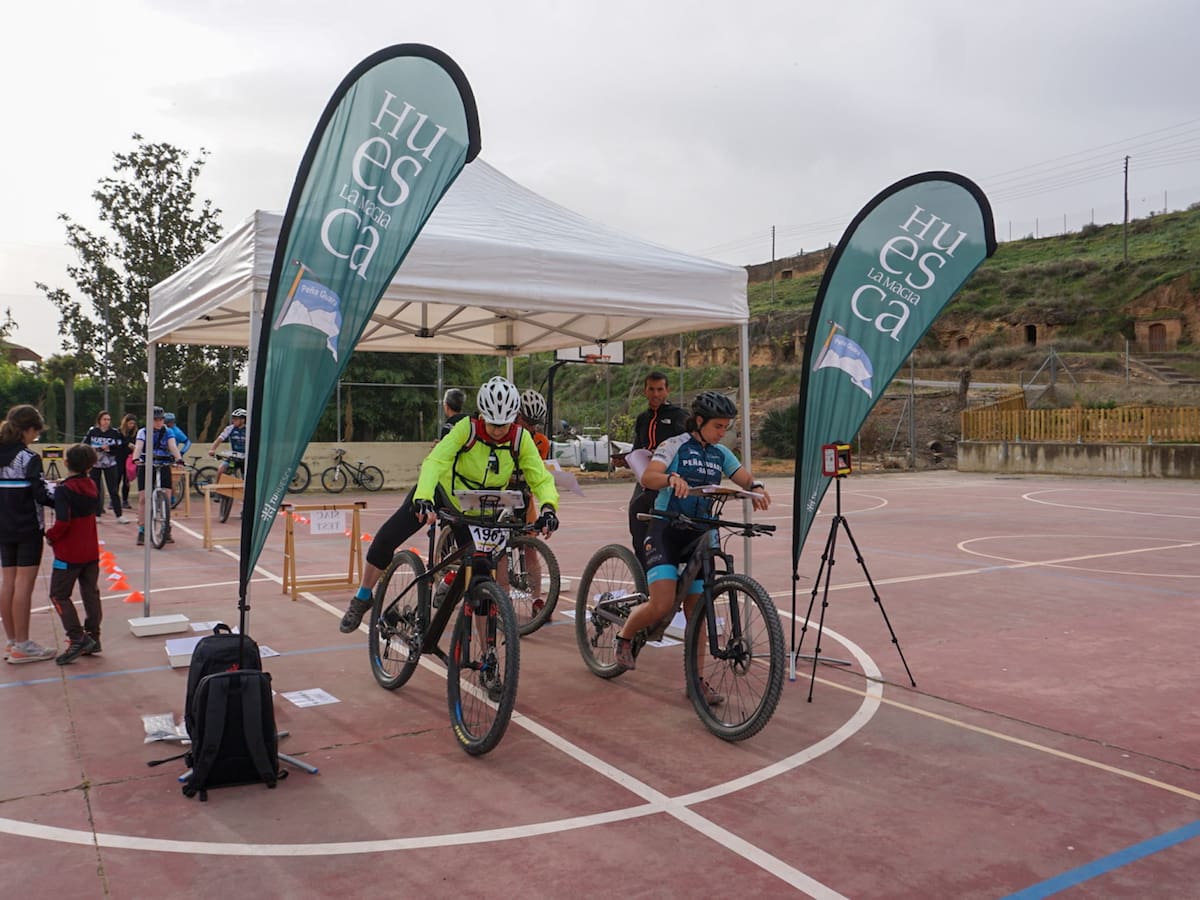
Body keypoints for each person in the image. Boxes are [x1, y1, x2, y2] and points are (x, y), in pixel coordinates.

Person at [339, 376, 561, 633]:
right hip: (442, 493)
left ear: (513, 418)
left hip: (477, 508)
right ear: (482, 415)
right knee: (388, 536)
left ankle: (487, 653)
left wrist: (548, 508)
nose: (498, 431)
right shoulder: (466, 429)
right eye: (492, 424)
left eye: (504, 425)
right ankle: (363, 596)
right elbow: (435, 461)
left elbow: (540, 478)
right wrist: (423, 497)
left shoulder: (520, 439)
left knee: (481, 576)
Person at [612, 391, 770, 705]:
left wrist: (756, 487)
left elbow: (743, 477)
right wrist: (671, 478)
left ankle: (695, 682)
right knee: (661, 604)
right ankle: (625, 636)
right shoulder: (675, 445)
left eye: (726, 427)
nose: (722, 432)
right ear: (699, 421)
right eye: (717, 426)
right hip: (666, 530)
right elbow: (649, 476)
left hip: (702, 533)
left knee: (697, 612)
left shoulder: (721, 453)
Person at [0, 404, 56, 663]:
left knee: (8, 582)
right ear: (28, 429)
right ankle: (23, 644)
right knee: (24, 584)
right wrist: (62, 496)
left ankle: (12, 641)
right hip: (26, 527)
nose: (36, 436)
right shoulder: (28, 458)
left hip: (3, 526)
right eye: (36, 432)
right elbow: (41, 495)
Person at [45, 444, 103, 664]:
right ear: (90, 466)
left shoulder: (64, 490)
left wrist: (50, 535)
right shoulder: (92, 485)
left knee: (58, 595)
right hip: (90, 551)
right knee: (91, 593)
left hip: (68, 554)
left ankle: (77, 638)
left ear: (66, 462)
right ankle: (93, 636)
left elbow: (62, 522)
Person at [626, 371, 688, 568]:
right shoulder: (642, 419)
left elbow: (687, 445)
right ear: (645, 391)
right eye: (651, 389)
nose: (655, 394)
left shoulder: (679, 416)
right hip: (645, 477)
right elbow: (637, 448)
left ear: (667, 391)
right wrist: (626, 459)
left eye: (660, 389)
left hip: (669, 478)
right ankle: (642, 567)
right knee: (636, 515)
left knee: (666, 524)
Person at [133, 407, 184, 547]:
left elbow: (173, 446)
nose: (159, 422)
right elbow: (138, 446)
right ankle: (142, 530)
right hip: (146, 464)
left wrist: (179, 459)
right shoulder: (143, 432)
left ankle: (166, 529)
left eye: (161, 419)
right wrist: (136, 458)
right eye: (155, 419)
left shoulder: (168, 431)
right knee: (143, 498)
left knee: (167, 496)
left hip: (163, 463)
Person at [83, 410, 129, 523]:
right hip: (95, 464)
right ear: (99, 420)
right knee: (95, 489)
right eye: (104, 419)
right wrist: (97, 448)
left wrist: (109, 448)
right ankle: (97, 514)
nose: (107, 422)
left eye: (108, 419)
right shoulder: (92, 431)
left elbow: (121, 444)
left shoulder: (114, 432)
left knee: (113, 490)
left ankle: (119, 515)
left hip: (110, 464)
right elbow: (85, 444)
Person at [208, 408, 247, 477]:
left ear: (243, 420)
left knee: (246, 476)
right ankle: (217, 484)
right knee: (221, 469)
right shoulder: (230, 428)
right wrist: (212, 449)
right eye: (233, 419)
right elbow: (220, 439)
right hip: (234, 458)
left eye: (236, 419)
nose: (233, 421)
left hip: (246, 458)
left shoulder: (249, 429)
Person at [116, 413, 137, 509]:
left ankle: (125, 500)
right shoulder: (118, 432)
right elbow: (117, 443)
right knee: (116, 479)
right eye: (130, 423)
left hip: (129, 458)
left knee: (126, 480)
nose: (131, 425)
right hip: (119, 458)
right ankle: (114, 500)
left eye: (133, 424)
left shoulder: (134, 433)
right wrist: (127, 444)